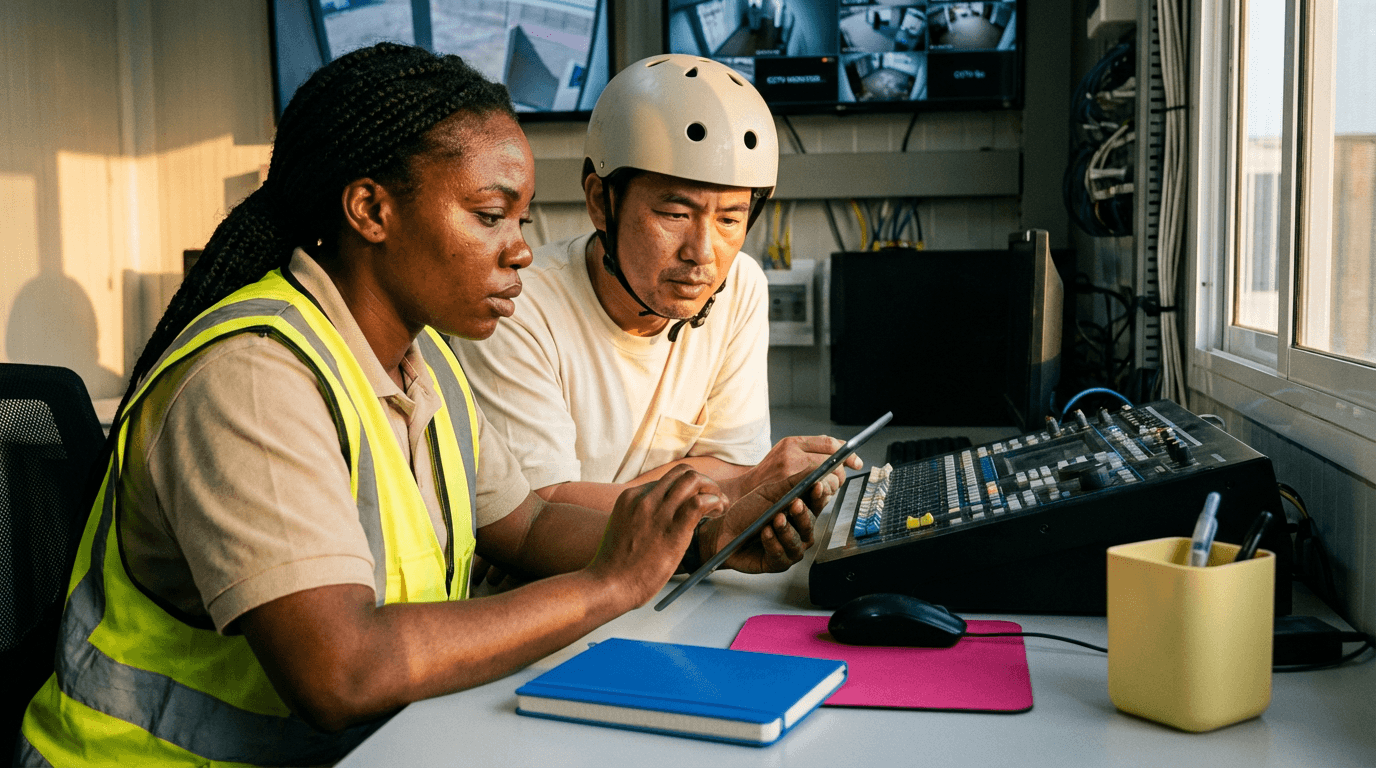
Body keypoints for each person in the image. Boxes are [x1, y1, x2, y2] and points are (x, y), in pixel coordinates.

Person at [16, 44, 814, 767]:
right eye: (488, 215)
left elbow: (528, 523)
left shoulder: (423, 365)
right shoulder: (255, 377)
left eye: (522, 219)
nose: (520, 249)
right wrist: (610, 583)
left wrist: (701, 535)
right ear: (370, 210)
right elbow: (342, 669)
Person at [449, 55, 860, 528]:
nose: (702, 253)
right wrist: (733, 488)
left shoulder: (740, 287)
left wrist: (714, 482)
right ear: (600, 201)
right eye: (675, 214)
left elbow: (734, 461)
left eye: (730, 218)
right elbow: (544, 513)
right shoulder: (518, 303)